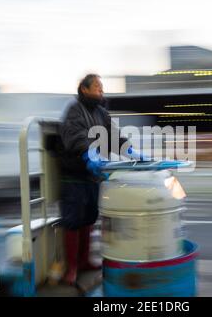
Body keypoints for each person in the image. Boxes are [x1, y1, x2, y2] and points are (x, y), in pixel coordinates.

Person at [58, 74, 147, 286]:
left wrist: (131, 152)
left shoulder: (101, 113)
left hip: (92, 173)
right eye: (97, 86)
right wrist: (88, 154)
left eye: (102, 87)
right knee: (73, 219)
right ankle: (71, 268)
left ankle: (84, 261)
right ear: (84, 89)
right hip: (74, 174)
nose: (101, 90)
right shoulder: (74, 109)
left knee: (89, 217)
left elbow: (113, 137)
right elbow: (75, 136)